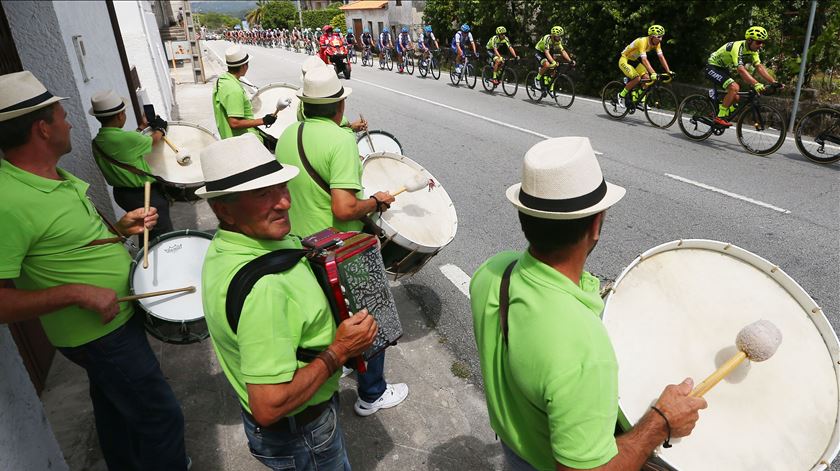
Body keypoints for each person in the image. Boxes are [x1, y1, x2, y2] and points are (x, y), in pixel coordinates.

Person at [470, 136, 707, 471]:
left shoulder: (493, 271)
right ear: (596, 224)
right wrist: (659, 425)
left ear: (525, 218)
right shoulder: (583, 351)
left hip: (514, 446)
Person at [0, 71, 189, 470]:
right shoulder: (8, 200)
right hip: (99, 333)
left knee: (116, 411)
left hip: (111, 325)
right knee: (160, 416)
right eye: (62, 116)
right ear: (42, 129)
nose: (69, 123)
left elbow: (66, 246)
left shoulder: (51, 176)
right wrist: (76, 293)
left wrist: (120, 231)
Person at [198, 133, 377, 469]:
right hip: (302, 435)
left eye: (281, 187)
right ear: (224, 209)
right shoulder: (266, 289)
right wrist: (340, 350)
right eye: (263, 193)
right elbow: (268, 406)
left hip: (302, 424)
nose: (284, 202)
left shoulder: (229, 243)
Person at [275, 67, 409, 416]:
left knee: (333, 312)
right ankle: (372, 393)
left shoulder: (289, 134)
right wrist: (377, 202)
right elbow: (345, 206)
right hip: (340, 248)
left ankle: (348, 362)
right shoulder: (341, 141)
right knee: (369, 314)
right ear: (339, 105)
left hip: (301, 244)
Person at [90, 89, 173, 240]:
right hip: (143, 194)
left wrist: (142, 127)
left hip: (122, 194)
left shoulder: (97, 142)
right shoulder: (126, 139)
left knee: (145, 230)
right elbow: (154, 139)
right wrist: (161, 127)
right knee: (161, 235)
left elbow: (127, 144)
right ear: (120, 115)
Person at [705, 26, 782, 127]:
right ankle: (719, 117)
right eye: (758, 42)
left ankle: (716, 111)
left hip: (723, 68)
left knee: (736, 97)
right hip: (712, 66)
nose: (761, 45)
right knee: (734, 87)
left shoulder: (754, 51)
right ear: (749, 40)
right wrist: (756, 84)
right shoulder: (737, 47)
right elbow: (741, 70)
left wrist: (773, 82)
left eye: (763, 42)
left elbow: (759, 67)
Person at [212, 45, 276, 143]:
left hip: (232, 139)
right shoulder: (233, 89)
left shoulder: (223, 80)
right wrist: (264, 120)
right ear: (244, 66)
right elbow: (234, 123)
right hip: (245, 143)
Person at [617, 25, 673, 110]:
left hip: (633, 60)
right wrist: (653, 73)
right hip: (625, 59)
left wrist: (669, 71)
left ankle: (640, 100)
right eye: (659, 37)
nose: (660, 39)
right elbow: (644, 60)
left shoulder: (657, 43)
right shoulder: (642, 42)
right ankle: (621, 95)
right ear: (651, 36)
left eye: (662, 36)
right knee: (637, 78)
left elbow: (661, 57)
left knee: (647, 78)